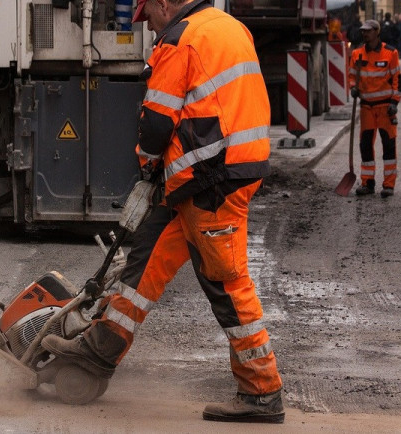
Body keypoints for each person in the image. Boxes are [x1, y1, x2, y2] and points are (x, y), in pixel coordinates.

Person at [42, 0, 284, 424]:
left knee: (226, 284)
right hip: (209, 175)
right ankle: (99, 351)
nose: (149, 28)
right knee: (144, 262)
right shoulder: (229, 27)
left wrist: (147, 164)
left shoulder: (179, 40)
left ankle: (262, 393)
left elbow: (156, 124)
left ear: (163, 3)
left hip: (211, 182)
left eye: (148, 16)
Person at [348, 20, 401, 198]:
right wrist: (352, 87)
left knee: (388, 145)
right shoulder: (357, 54)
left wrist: (394, 101)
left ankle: (388, 185)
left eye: (368, 31)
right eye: (363, 31)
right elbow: (352, 76)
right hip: (366, 108)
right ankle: (367, 183)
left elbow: (397, 80)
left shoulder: (390, 53)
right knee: (365, 145)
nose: (364, 34)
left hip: (385, 107)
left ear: (377, 32)